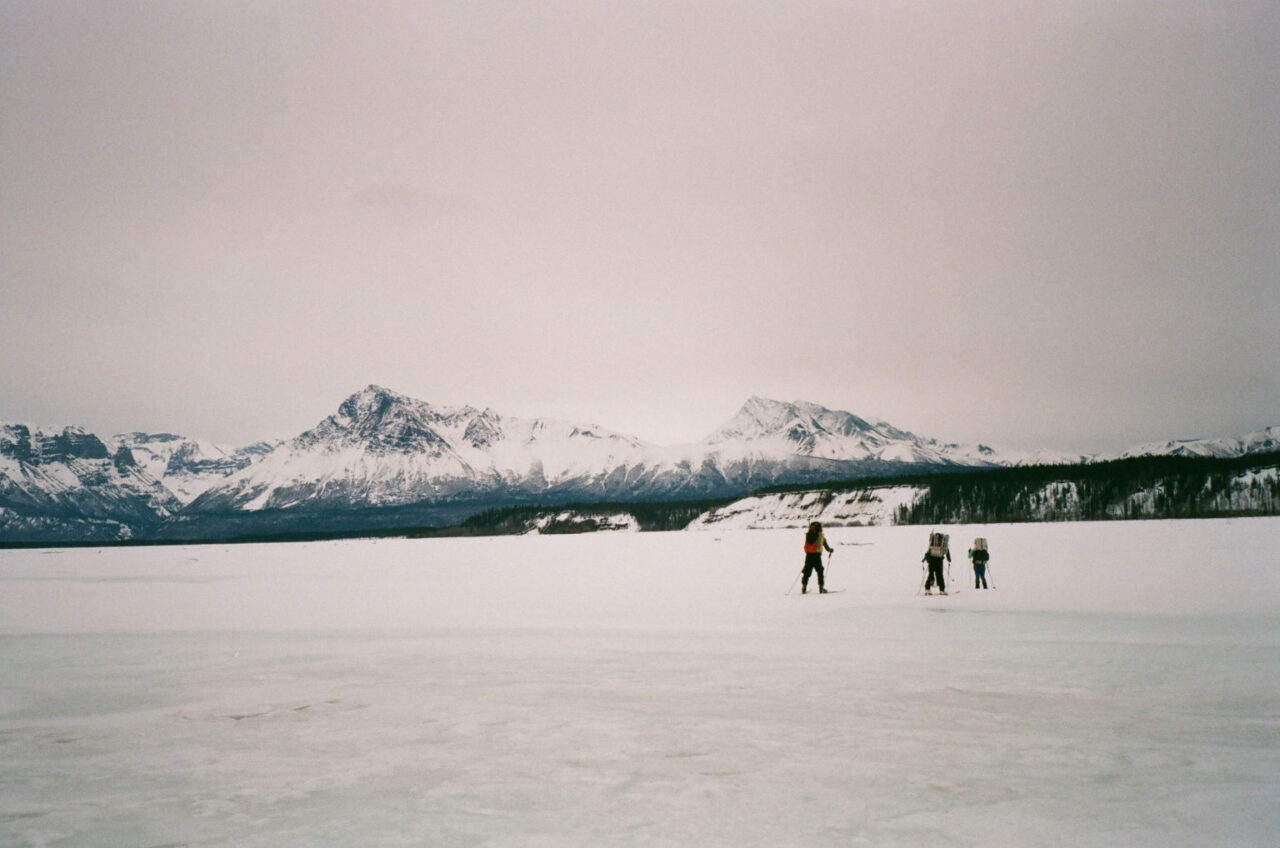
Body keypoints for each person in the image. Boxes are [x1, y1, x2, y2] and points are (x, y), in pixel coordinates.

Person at [802, 521, 833, 594]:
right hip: (817, 556)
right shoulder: (820, 536)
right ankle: (821, 588)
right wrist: (830, 550)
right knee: (820, 571)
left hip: (808, 556)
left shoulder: (808, 535)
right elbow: (825, 546)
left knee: (807, 572)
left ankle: (804, 587)